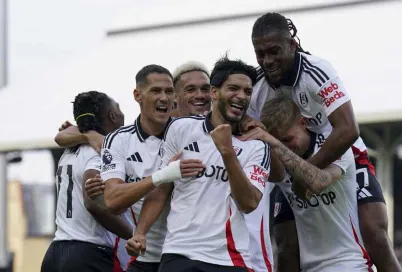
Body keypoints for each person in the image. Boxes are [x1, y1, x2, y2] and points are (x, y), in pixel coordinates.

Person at [248, 12, 401, 271]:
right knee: (285, 246)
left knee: (374, 235)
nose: (267, 61)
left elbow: (348, 129)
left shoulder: (317, 71)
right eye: (260, 54)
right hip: (288, 165)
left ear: (292, 46)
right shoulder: (257, 87)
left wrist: (307, 174)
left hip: (341, 157)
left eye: (274, 51)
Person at [126, 55, 271, 272]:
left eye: (247, 91)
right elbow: (161, 190)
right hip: (179, 253)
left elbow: (249, 203)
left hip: (229, 260)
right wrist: (140, 232)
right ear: (214, 92)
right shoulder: (181, 129)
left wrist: (227, 153)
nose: (241, 96)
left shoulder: (257, 145)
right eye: (233, 88)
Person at [240, 96, 373, 272]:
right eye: (278, 141)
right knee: (285, 244)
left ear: (303, 123)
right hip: (308, 268)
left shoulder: (333, 148)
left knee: (378, 236)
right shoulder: (280, 161)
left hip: (350, 263)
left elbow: (318, 182)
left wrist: (273, 142)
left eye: (287, 140)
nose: (285, 148)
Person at [99, 64, 205, 272]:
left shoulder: (191, 133)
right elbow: (112, 200)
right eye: (155, 91)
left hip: (189, 256)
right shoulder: (118, 140)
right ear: (138, 95)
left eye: (168, 92)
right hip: (146, 255)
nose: (164, 98)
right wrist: (163, 175)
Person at [41, 91, 133, 272]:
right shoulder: (100, 152)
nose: (123, 114)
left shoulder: (70, 149)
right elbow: (92, 203)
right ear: (113, 116)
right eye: (119, 109)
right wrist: (134, 234)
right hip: (87, 253)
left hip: (55, 253)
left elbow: (62, 136)